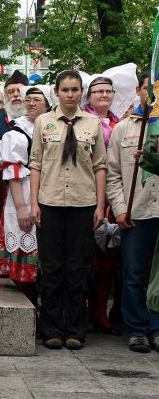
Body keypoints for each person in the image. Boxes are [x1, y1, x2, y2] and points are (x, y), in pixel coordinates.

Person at [30, 70, 107, 350]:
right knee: (52, 269)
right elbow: (36, 163)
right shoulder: (43, 122)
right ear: (57, 92)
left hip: (82, 204)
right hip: (49, 203)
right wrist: (34, 202)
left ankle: (75, 329)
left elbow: (100, 166)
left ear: (81, 92)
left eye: (75, 89)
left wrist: (100, 205)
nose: (70, 94)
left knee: (77, 269)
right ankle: (50, 329)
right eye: (65, 90)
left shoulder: (93, 124)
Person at [106, 71, 159, 353]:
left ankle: (157, 327)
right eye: (149, 88)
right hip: (135, 210)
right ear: (138, 90)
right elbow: (113, 175)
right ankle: (137, 329)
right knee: (134, 273)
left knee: (158, 275)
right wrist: (119, 208)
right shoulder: (123, 129)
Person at [0, 85, 51, 304]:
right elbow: (13, 173)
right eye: (28, 99)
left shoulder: (54, 127)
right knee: (26, 251)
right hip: (24, 194)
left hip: (49, 193)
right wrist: (21, 207)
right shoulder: (15, 133)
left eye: (37, 99)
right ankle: (29, 309)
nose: (31, 103)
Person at [83, 75, 122, 335]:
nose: (104, 95)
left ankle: (102, 311)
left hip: (114, 195)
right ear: (90, 95)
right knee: (86, 257)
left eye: (108, 91)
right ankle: (83, 310)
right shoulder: (82, 120)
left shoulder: (120, 122)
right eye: (98, 91)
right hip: (85, 194)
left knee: (109, 257)